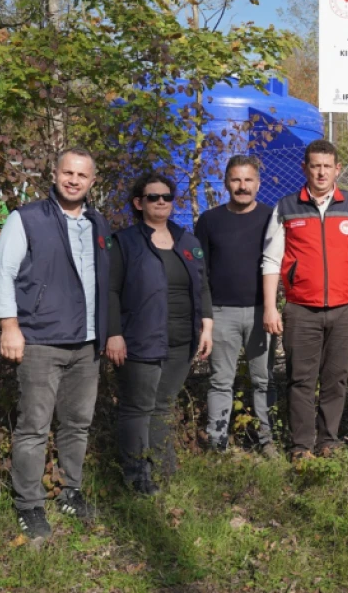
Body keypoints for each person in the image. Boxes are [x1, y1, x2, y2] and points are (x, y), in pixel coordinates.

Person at [0, 147, 110, 539]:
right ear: (54, 174)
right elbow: (2, 272)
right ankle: (30, 505)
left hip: (87, 343)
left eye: (82, 175)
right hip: (40, 338)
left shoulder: (98, 223)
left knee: (77, 424)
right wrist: (9, 326)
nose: (73, 180)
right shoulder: (27, 218)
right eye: (67, 173)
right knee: (34, 427)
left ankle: (70, 491)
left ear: (93, 181)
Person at [261, 140, 348, 462]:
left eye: (327, 166)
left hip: (347, 307)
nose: (321, 172)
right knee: (300, 378)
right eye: (315, 165)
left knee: (336, 377)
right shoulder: (286, 207)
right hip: (301, 308)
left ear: (338, 169)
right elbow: (271, 261)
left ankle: (328, 440)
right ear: (305, 169)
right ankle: (301, 445)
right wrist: (271, 307)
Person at [107, 173, 213, 495]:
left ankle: (164, 468)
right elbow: (110, 291)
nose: (162, 202)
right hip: (140, 338)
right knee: (137, 406)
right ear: (139, 203)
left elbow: (203, 284)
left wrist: (207, 324)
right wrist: (114, 334)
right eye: (153, 197)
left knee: (164, 404)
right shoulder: (125, 242)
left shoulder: (187, 241)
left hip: (181, 339)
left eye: (167, 196)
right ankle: (137, 475)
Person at [195, 155, 276, 457]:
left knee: (263, 380)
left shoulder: (272, 218)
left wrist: (273, 308)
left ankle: (266, 440)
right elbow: (201, 274)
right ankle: (217, 442)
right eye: (236, 180)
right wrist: (206, 317)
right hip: (221, 313)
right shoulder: (209, 221)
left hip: (261, 312)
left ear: (258, 182)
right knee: (220, 381)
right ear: (226, 182)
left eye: (248, 180)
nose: (242, 187)